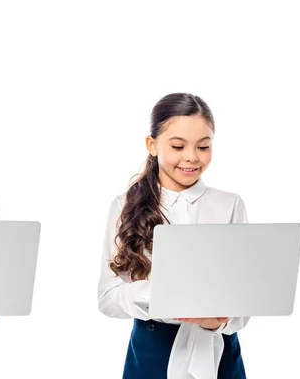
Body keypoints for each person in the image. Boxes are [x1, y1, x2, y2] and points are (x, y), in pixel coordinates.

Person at [97, 93, 249, 379]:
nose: (191, 156)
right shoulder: (124, 205)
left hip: (219, 352)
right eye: (178, 146)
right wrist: (164, 294)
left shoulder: (230, 205)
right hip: (152, 350)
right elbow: (107, 298)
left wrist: (214, 321)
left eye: (203, 146)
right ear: (152, 145)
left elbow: (243, 306)